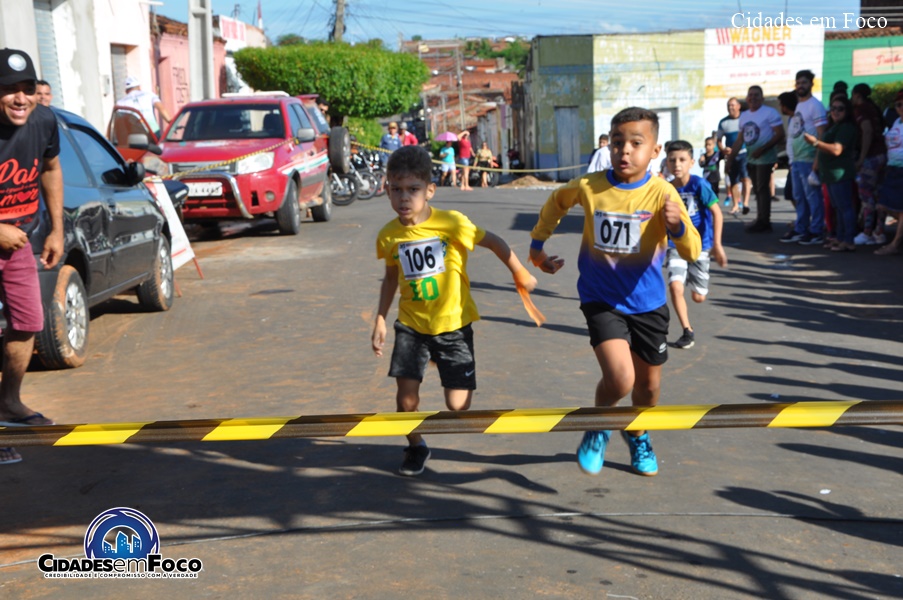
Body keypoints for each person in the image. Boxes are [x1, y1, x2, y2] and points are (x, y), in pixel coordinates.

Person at [528, 107, 700, 477]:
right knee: (621, 378)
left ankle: (637, 431)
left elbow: (693, 251)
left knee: (649, 390)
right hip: (601, 299)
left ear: (655, 151)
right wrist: (538, 245)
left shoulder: (661, 193)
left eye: (636, 143)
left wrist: (679, 229)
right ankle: (600, 424)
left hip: (648, 304)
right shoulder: (590, 186)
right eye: (618, 142)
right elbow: (557, 201)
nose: (625, 150)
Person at [372, 145, 538, 476]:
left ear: (430, 191)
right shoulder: (388, 235)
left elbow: (493, 242)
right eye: (397, 190)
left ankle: (441, 359)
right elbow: (390, 278)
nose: (404, 198)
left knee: (458, 405)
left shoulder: (452, 223)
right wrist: (380, 319)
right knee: (406, 401)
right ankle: (416, 445)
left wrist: (519, 271)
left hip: (453, 324)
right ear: (387, 189)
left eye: (413, 190)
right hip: (412, 324)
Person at [0, 48, 64, 465]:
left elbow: (51, 168)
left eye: (26, 88)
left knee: (28, 321)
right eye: (8, 90)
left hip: (20, 239)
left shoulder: (43, 119)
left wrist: (57, 228)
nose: (20, 98)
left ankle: (9, 403)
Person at [665, 141, 728, 350]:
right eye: (672, 160)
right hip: (675, 243)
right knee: (675, 286)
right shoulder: (666, 188)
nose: (677, 164)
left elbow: (716, 213)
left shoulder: (699, 184)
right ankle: (687, 330)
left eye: (682, 160)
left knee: (699, 297)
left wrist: (717, 245)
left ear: (692, 162)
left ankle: (695, 280)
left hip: (701, 245)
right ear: (666, 162)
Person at [726, 85, 785, 233]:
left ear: (762, 98)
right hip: (751, 158)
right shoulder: (744, 116)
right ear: (746, 99)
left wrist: (763, 149)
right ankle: (761, 218)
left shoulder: (770, 113)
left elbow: (779, 134)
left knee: (762, 189)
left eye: (756, 95)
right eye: (750, 95)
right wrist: (730, 160)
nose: (753, 98)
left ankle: (764, 222)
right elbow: (740, 140)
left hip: (765, 158)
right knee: (758, 191)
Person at [780, 70, 828, 245]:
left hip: (809, 159)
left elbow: (823, 135)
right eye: (798, 83)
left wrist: (817, 161)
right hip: (797, 160)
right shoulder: (800, 105)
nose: (801, 86)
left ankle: (816, 231)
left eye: (804, 83)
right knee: (799, 197)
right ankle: (802, 229)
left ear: (811, 84)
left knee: (813, 197)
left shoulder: (816, 105)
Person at [804, 96, 858, 252]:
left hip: (840, 174)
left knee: (845, 207)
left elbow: (836, 149)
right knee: (838, 208)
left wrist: (815, 142)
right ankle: (840, 238)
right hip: (830, 174)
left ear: (847, 111)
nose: (835, 111)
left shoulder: (846, 127)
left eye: (840, 108)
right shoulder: (834, 126)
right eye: (833, 108)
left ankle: (848, 240)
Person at [851, 83, 888, 246]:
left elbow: (867, 131)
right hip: (883, 155)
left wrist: (862, 158)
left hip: (872, 157)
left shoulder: (861, 110)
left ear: (857, 95)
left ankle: (867, 232)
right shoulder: (874, 108)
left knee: (866, 195)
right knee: (879, 194)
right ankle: (879, 231)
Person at [874, 90, 903, 256]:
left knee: (901, 209)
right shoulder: (896, 122)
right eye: (898, 104)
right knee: (883, 204)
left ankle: (894, 244)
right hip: (892, 168)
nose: (901, 107)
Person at [716, 98, 751, 215]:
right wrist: (723, 150)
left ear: (739, 106)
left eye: (732, 105)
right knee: (733, 180)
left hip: (745, 153)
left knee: (745, 178)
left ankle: (745, 203)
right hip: (731, 156)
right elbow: (719, 141)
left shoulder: (745, 119)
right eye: (728, 105)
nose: (730, 107)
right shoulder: (723, 122)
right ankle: (736, 205)